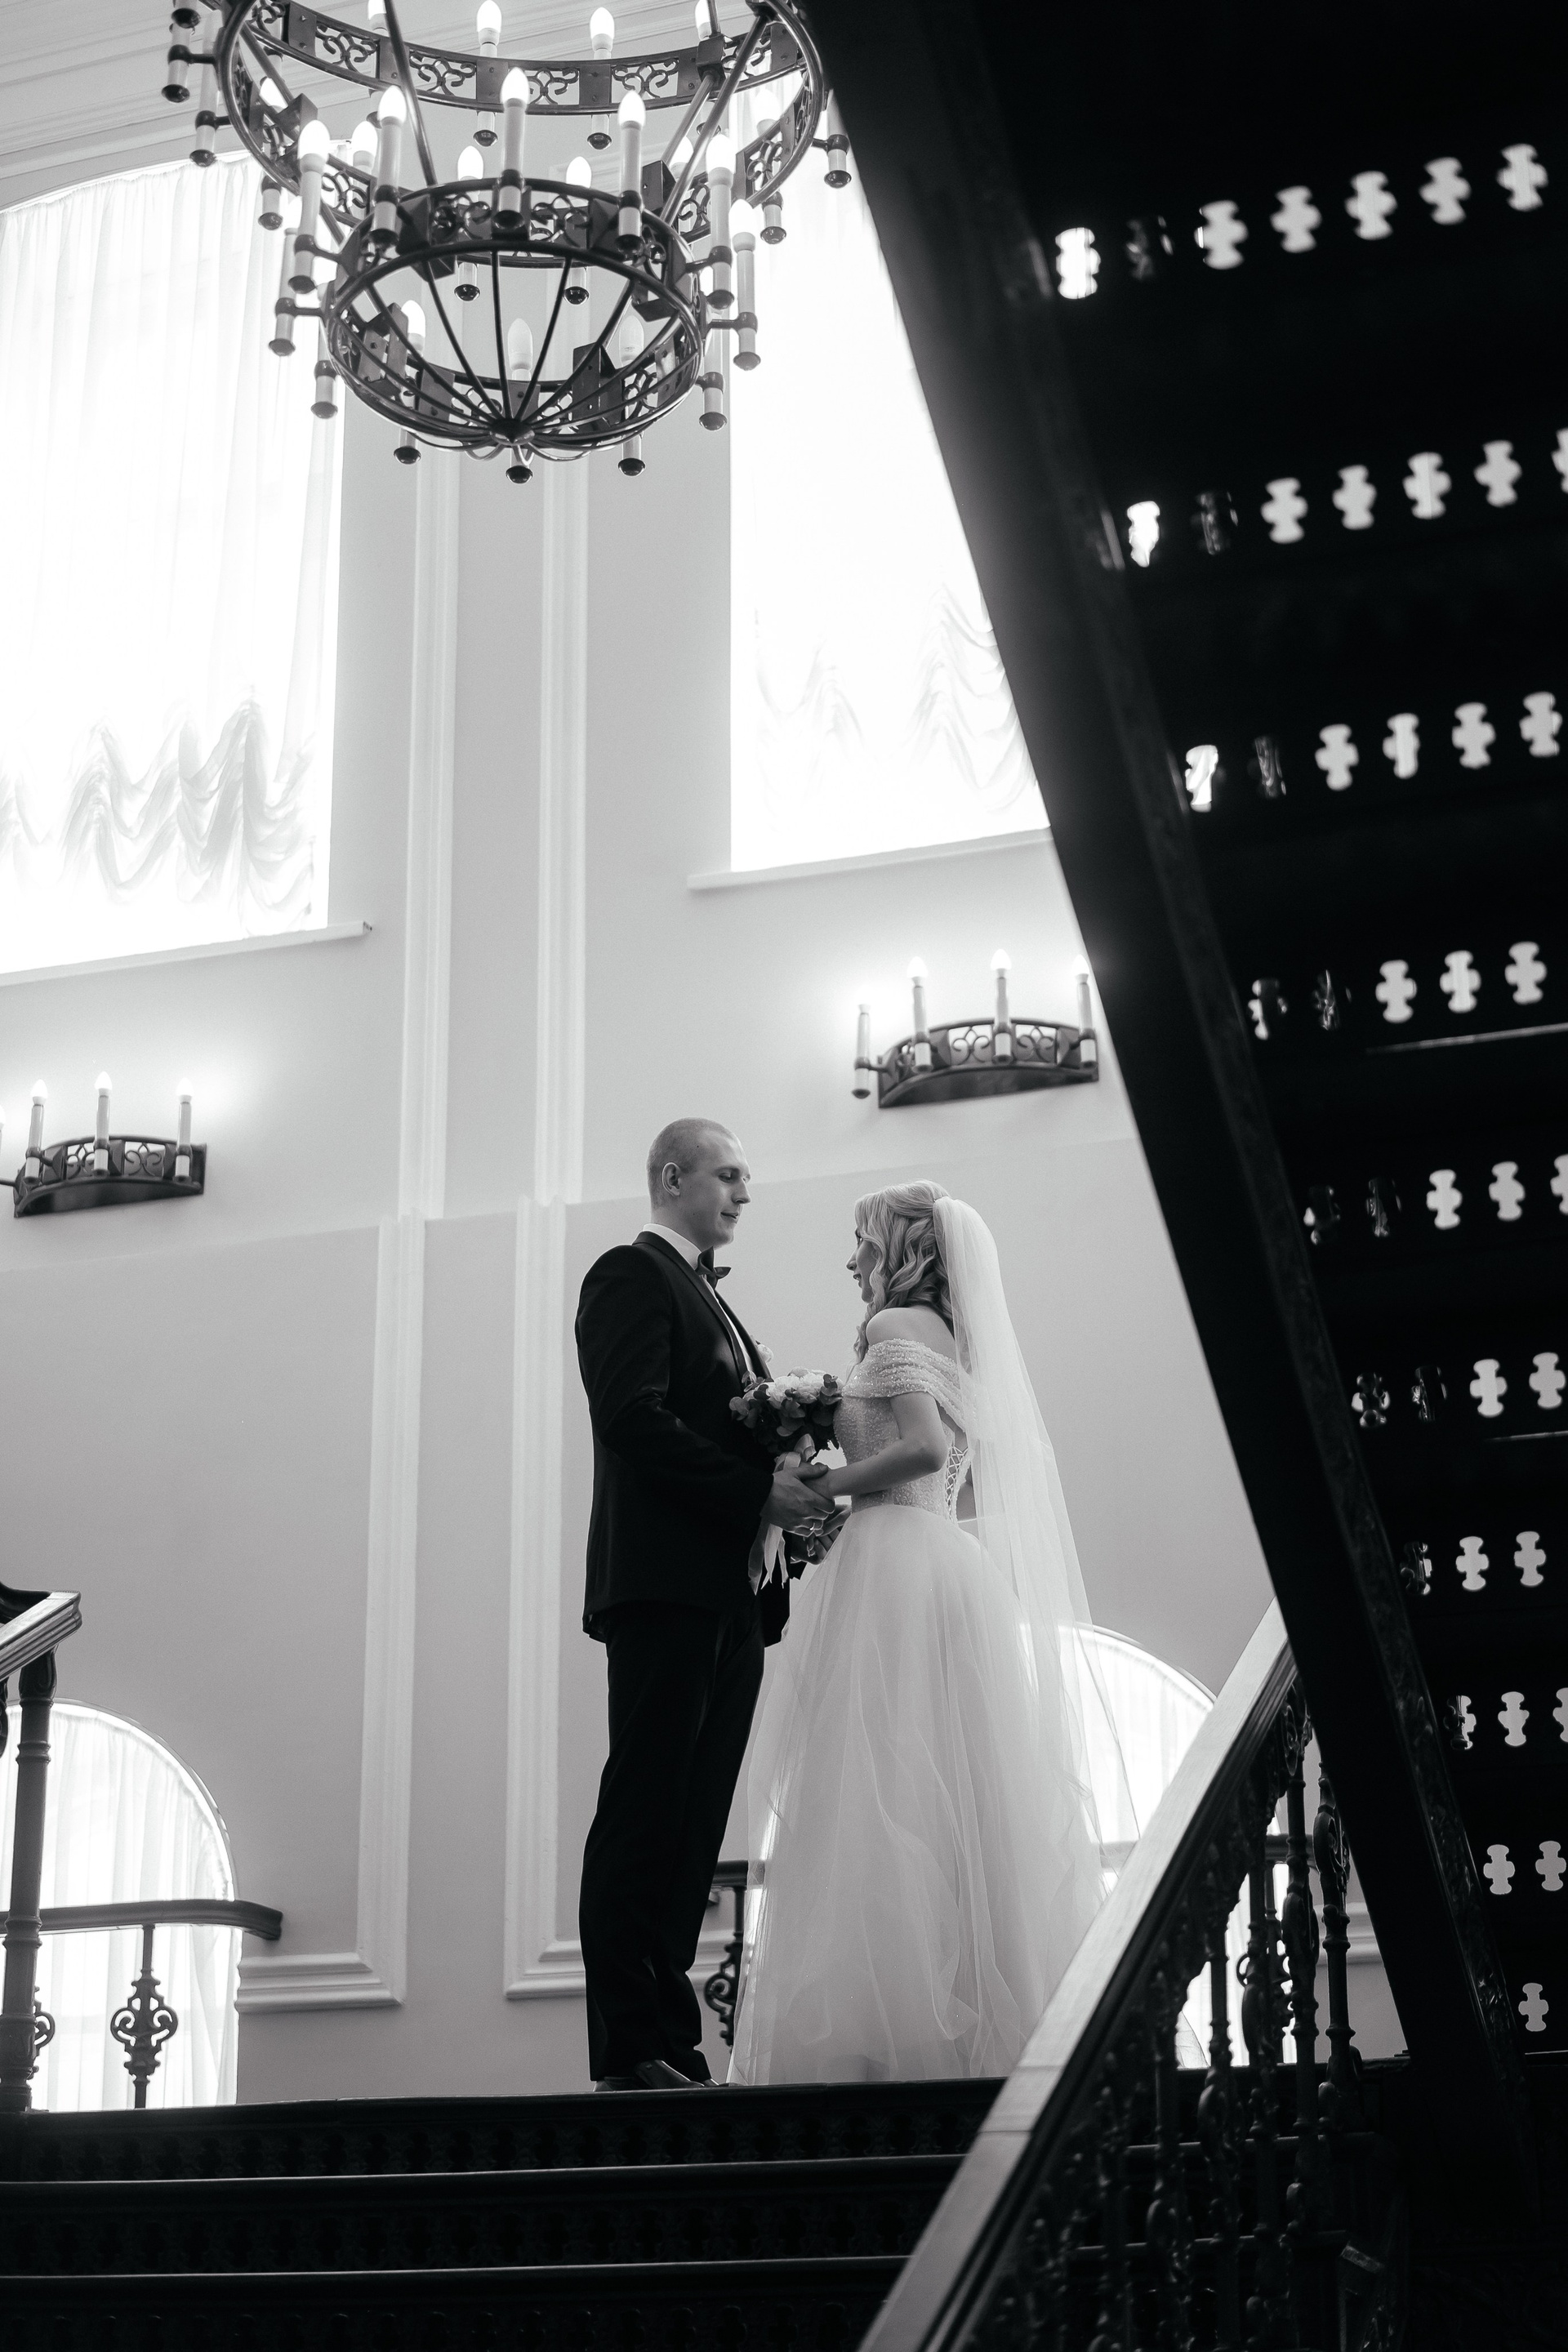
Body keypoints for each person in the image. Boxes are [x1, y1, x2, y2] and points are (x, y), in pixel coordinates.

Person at [728, 1180, 1116, 2084]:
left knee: (878, 1785)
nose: (851, 1258)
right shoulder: (956, 1341)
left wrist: (825, 1491)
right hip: (943, 1561)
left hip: (894, 1567)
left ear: (901, 1248)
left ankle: (888, 2035)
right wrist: (892, 1505)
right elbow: (967, 1478)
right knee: (950, 1785)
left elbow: (927, 1452)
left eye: (862, 1240)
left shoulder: (891, 1327)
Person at [575, 1118, 830, 2091]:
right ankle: (627, 2046)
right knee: (645, 1809)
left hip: (731, 1596)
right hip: (663, 1586)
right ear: (673, 1177)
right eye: (728, 1175)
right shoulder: (629, 1275)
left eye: (746, 1177)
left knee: (694, 1824)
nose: (743, 1192)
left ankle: (671, 2039)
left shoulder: (717, 1302)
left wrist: (786, 1501)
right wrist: (758, 1492)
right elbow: (630, 1418)